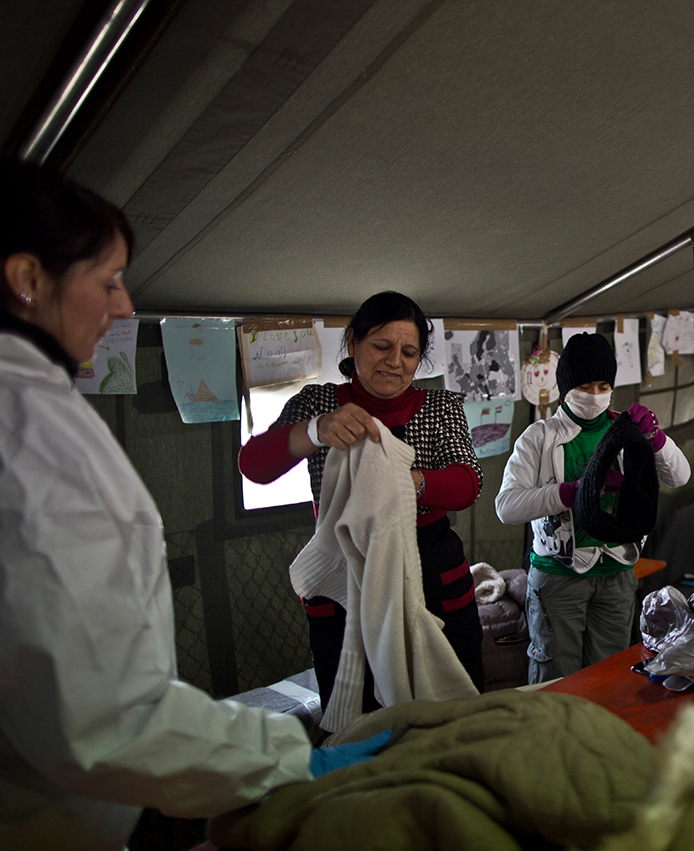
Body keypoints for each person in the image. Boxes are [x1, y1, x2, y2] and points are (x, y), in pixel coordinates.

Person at [0, 161, 386, 850]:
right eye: (109, 280)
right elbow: (103, 713)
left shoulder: (35, 412)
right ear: (27, 279)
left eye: (409, 350)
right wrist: (290, 759)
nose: (123, 307)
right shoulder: (28, 430)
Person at [239, 291, 486, 701]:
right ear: (353, 342)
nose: (395, 362)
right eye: (382, 346)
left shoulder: (441, 407)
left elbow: (469, 482)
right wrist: (315, 430)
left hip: (430, 563)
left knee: (451, 700)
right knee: (360, 707)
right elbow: (253, 465)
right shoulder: (317, 404)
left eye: (409, 352)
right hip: (346, 568)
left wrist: (412, 482)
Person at [495, 333, 690, 682]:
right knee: (556, 675)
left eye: (603, 385)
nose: (595, 394)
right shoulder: (538, 437)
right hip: (558, 577)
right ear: (565, 386)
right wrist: (567, 493)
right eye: (585, 385)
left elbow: (680, 476)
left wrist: (657, 439)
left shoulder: (625, 431)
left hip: (616, 573)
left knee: (610, 676)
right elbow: (506, 507)